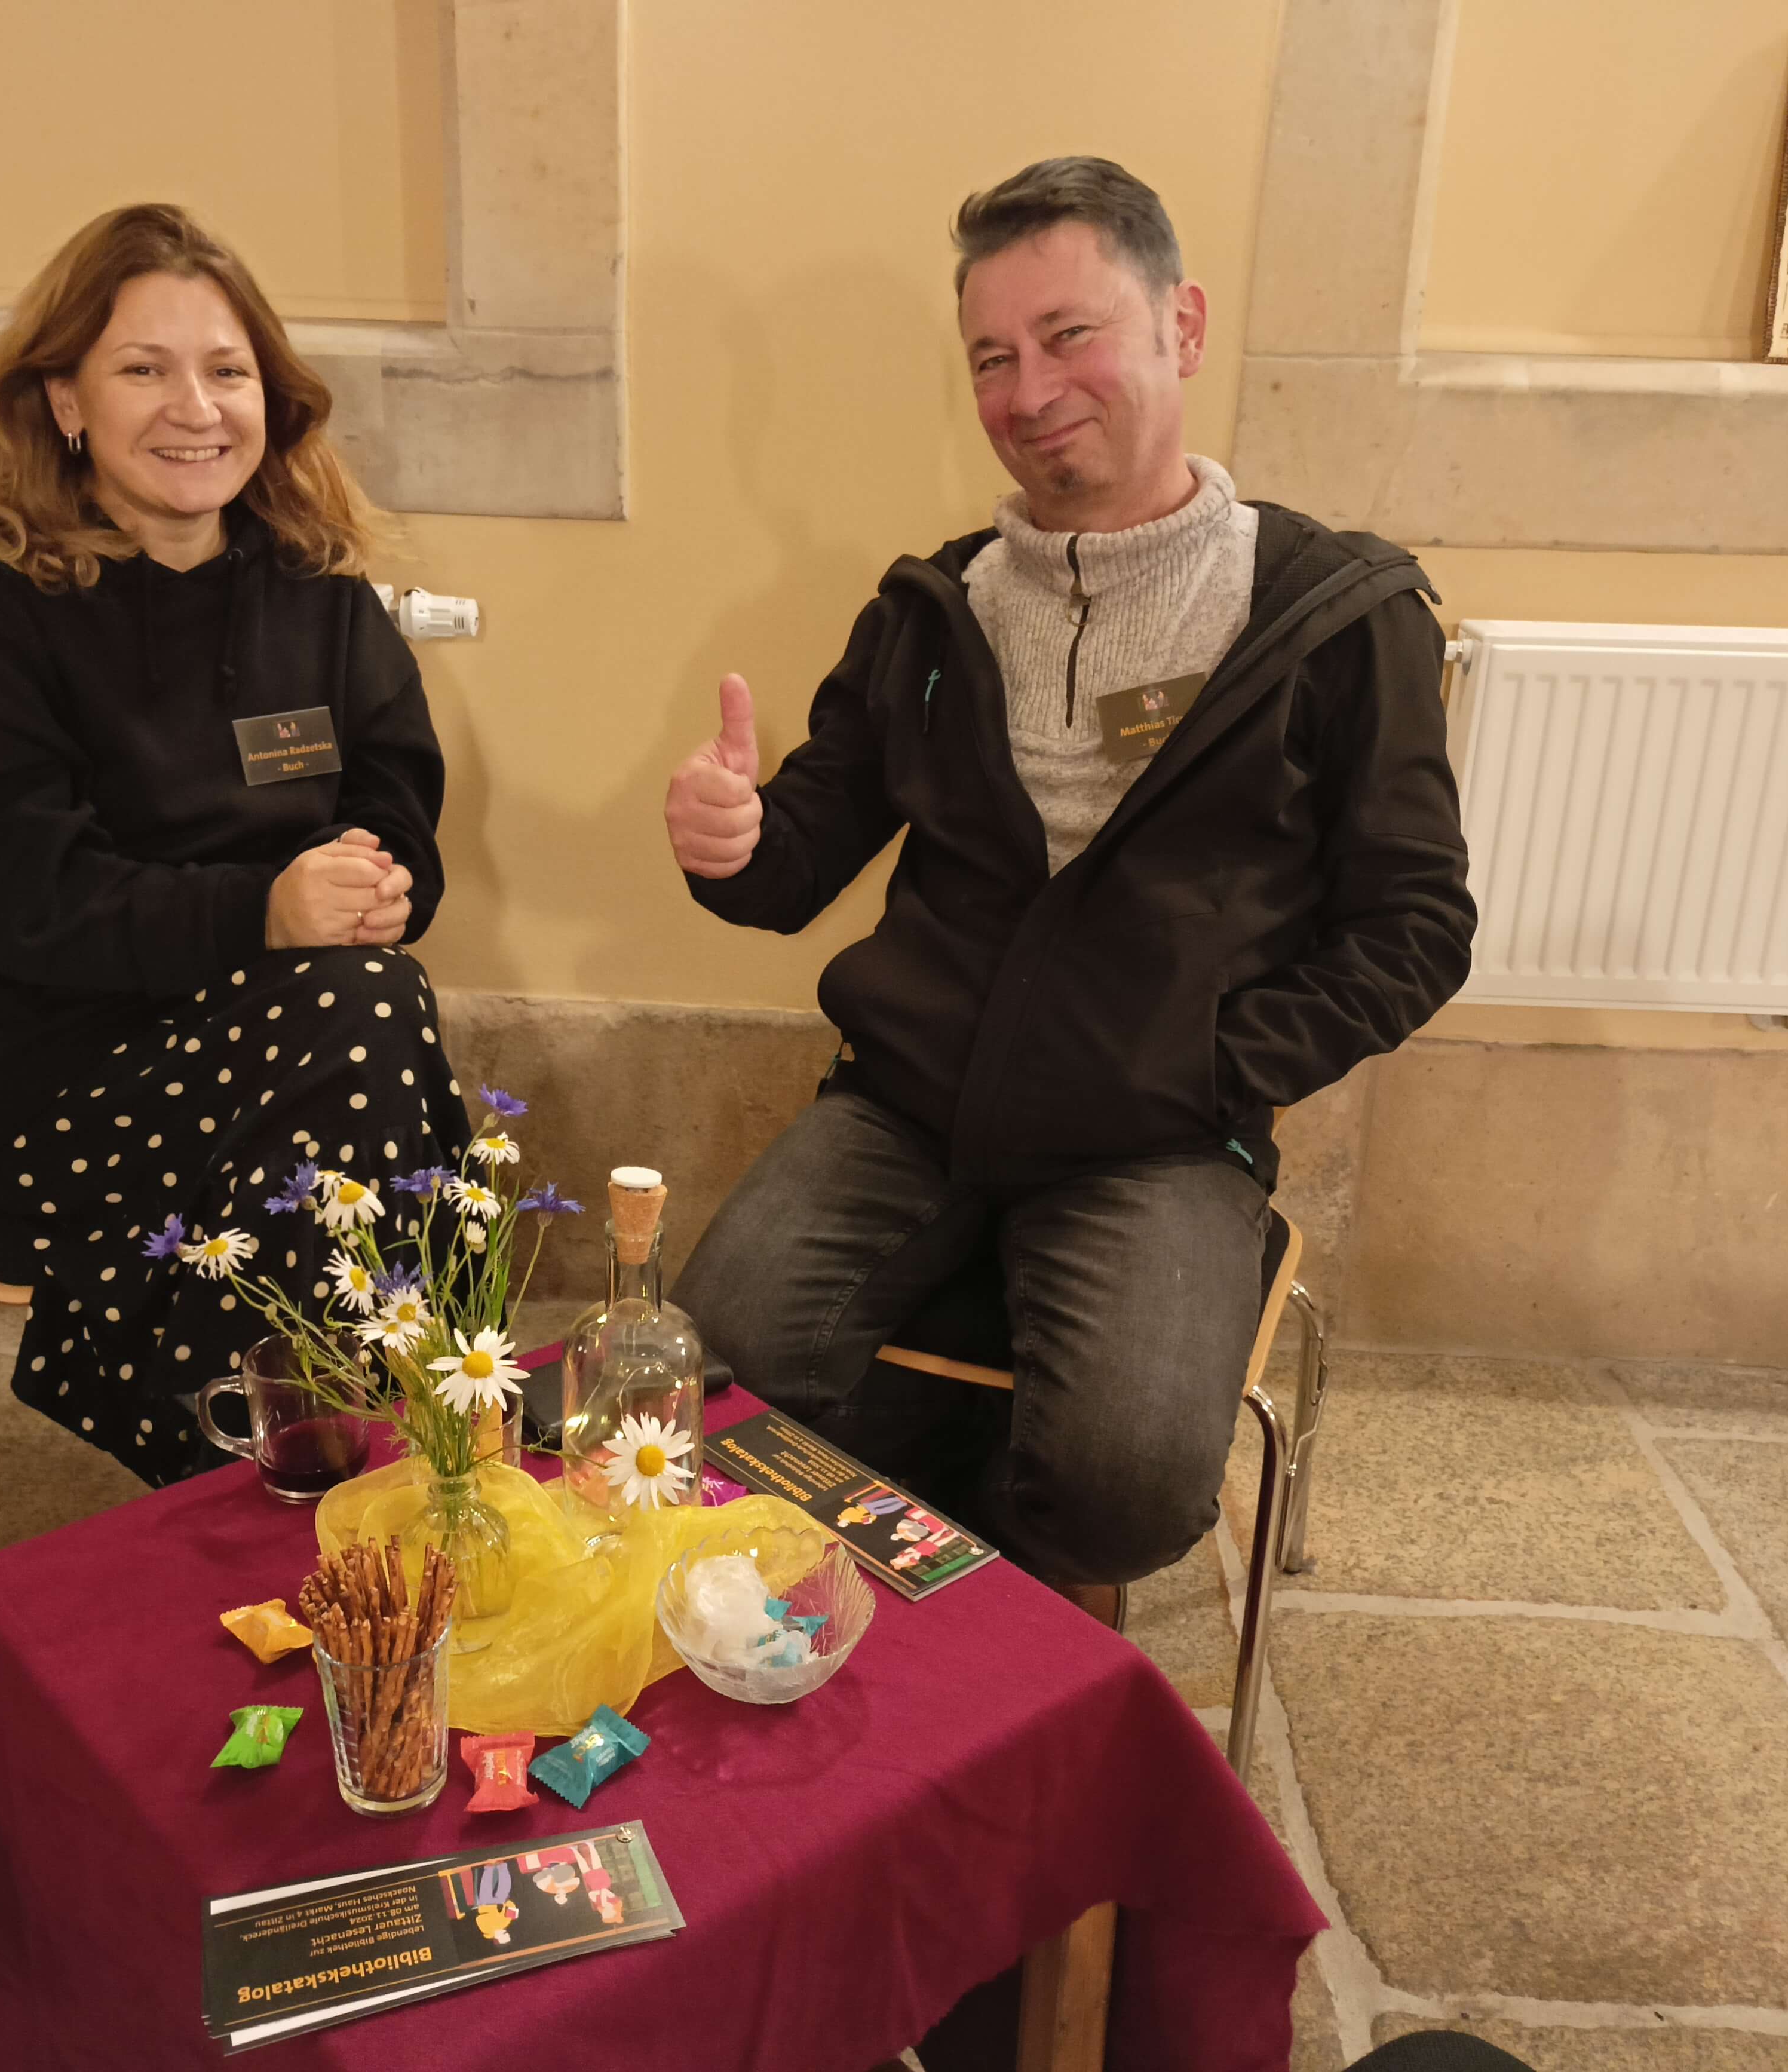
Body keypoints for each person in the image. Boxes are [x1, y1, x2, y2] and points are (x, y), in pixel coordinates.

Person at [663, 158, 1476, 1619]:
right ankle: (927, 1583)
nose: (1028, 390)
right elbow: (795, 863)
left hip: (1157, 1140)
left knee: (1125, 1484)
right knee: (704, 1379)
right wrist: (731, 841)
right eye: (991, 356)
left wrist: (1206, 1069)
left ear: (1181, 326)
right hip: (908, 1108)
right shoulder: (931, 610)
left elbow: (1414, 927)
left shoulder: (1334, 620)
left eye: (1068, 335)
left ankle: (990, 1597)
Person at [0, 202, 467, 1485]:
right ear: (65, 400)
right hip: (49, 1051)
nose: (194, 409)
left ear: (270, 398)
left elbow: (396, 795)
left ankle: (279, 1449)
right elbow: (15, 893)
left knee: (367, 1003)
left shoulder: (315, 585)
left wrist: (379, 883)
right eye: (143, 369)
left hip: (293, 1022)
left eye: (226, 371)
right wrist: (265, 911)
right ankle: (348, 1445)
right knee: (367, 1025)